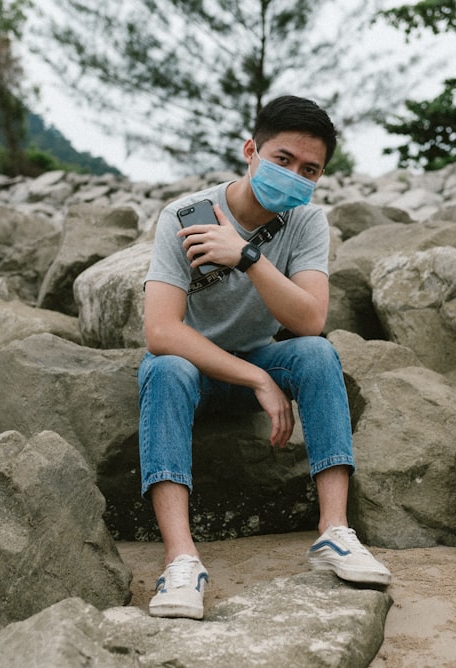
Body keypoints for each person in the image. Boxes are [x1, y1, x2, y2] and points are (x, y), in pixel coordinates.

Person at [139, 94, 391, 620]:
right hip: (195, 367)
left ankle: (334, 531)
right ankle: (181, 560)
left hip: (260, 354)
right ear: (251, 149)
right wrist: (256, 376)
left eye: (310, 169)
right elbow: (162, 330)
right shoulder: (184, 218)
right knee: (164, 369)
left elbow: (308, 320)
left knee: (318, 354)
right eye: (282, 160)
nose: (294, 175)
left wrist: (247, 255)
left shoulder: (306, 222)